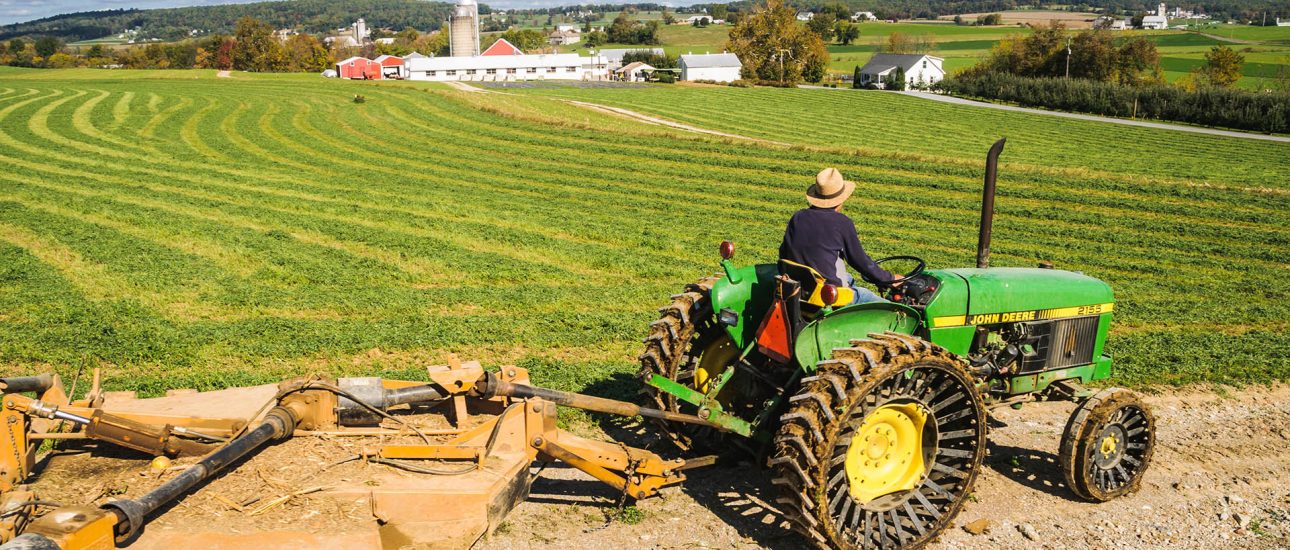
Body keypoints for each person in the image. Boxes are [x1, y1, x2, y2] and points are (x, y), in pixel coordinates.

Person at [778, 168, 897, 304]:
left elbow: (783, 252)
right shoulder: (842, 222)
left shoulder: (798, 217)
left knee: (849, 277)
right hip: (827, 296)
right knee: (879, 303)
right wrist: (890, 278)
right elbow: (860, 262)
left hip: (800, 289)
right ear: (841, 200)